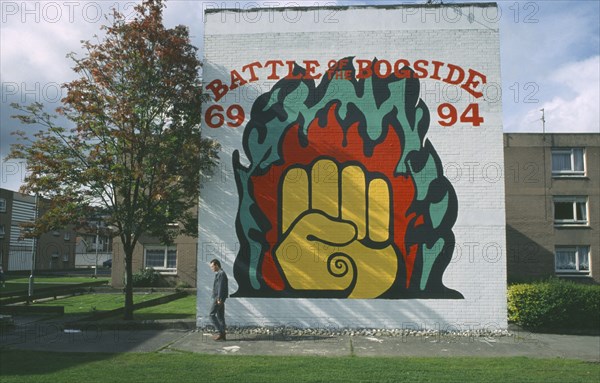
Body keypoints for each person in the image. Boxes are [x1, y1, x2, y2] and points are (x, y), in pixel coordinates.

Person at [209, 259, 228, 341]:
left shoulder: (221, 274)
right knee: (220, 316)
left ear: (216, 265)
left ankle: (221, 332)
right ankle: (223, 336)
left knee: (211, 315)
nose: (211, 268)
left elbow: (221, 286)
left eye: (212, 266)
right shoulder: (220, 273)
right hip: (219, 297)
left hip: (218, 298)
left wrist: (219, 298)